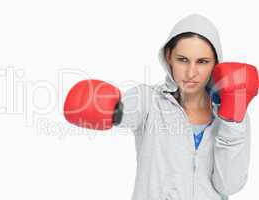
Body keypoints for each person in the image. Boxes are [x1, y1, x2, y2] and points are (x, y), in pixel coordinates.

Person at [64, 14, 258, 200]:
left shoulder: (232, 115)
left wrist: (232, 122)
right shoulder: (148, 101)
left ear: (216, 64)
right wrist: (109, 108)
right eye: (183, 59)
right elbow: (123, 110)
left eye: (202, 62)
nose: (191, 72)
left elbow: (229, 185)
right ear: (168, 57)